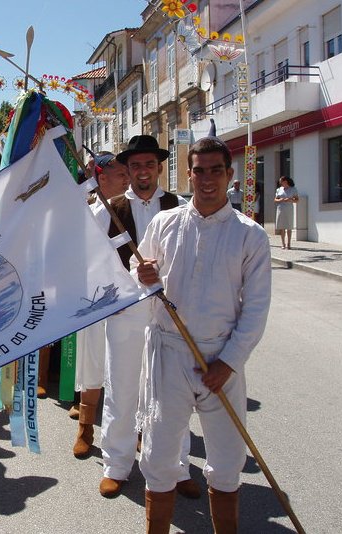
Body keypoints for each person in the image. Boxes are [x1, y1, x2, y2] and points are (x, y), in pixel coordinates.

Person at [135, 136, 271, 533]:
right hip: (169, 352)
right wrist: (143, 276)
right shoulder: (165, 222)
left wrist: (228, 362)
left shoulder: (250, 235)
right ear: (189, 174)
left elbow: (256, 307)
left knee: (228, 460)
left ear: (230, 175)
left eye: (216, 170)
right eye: (199, 170)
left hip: (221, 359)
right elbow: (137, 271)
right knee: (160, 456)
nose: (207, 179)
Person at [93, 135, 198, 500]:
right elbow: (91, 263)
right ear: (128, 170)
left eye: (148, 165)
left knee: (172, 394)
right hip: (125, 312)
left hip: (168, 314)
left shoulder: (180, 208)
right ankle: (116, 465)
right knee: (122, 389)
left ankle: (176, 466)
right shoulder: (107, 209)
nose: (142, 171)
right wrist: (112, 296)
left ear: (158, 168)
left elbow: (191, 262)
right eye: (135, 165)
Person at [72, 151, 129, 459]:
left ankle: (130, 429)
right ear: (102, 178)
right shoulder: (89, 214)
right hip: (96, 302)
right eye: (121, 174)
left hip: (130, 303)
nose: (127, 178)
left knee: (127, 368)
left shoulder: (133, 210)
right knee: (92, 365)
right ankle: (85, 427)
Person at [275, 176, 299, 249]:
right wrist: (281, 200)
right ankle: (283, 244)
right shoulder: (279, 189)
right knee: (282, 227)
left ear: (285, 181)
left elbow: (297, 200)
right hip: (281, 208)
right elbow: (275, 200)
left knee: (289, 227)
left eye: (281, 181)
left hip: (289, 209)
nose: (280, 183)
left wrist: (290, 200)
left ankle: (289, 244)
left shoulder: (293, 189)